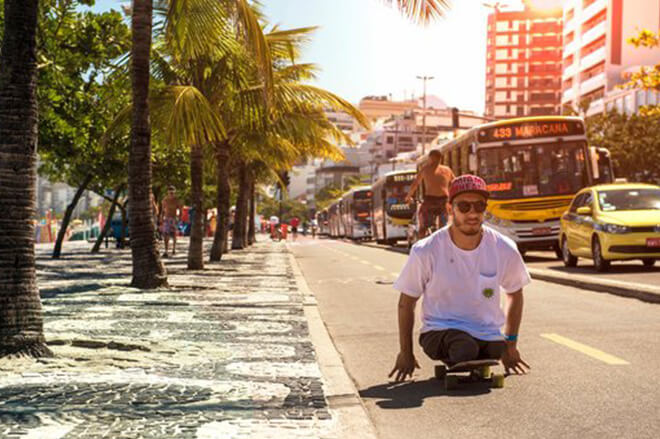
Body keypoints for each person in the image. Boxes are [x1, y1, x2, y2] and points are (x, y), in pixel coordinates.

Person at [390, 175, 531, 382]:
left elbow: (515, 294)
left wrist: (511, 344)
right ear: (450, 209)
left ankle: (481, 352)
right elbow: (406, 302)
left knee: (495, 349)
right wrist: (406, 353)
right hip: (439, 331)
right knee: (464, 347)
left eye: (479, 206)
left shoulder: (503, 248)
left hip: (485, 331)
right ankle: (464, 354)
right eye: (464, 206)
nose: (472, 213)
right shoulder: (426, 250)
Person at [406, 150, 455, 238]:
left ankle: (421, 245)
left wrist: (408, 197)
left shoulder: (426, 169)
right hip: (444, 201)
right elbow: (455, 183)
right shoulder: (447, 170)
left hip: (430, 201)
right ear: (440, 159)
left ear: (431, 158)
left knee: (423, 226)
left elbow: (415, 184)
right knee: (444, 228)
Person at [159, 185, 182, 257]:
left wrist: (179, 218)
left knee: (174, 235)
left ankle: (174, 249)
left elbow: (180, 210)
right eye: (170, 192)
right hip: (167, 219)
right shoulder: (165, 200)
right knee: (166, 235)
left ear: (174, 192)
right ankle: (166, 250)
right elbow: (162, 210)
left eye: (172, 192)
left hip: (174, 218)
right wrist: (161, 218)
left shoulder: (177, 200)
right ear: (168, 192)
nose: (171, 193)